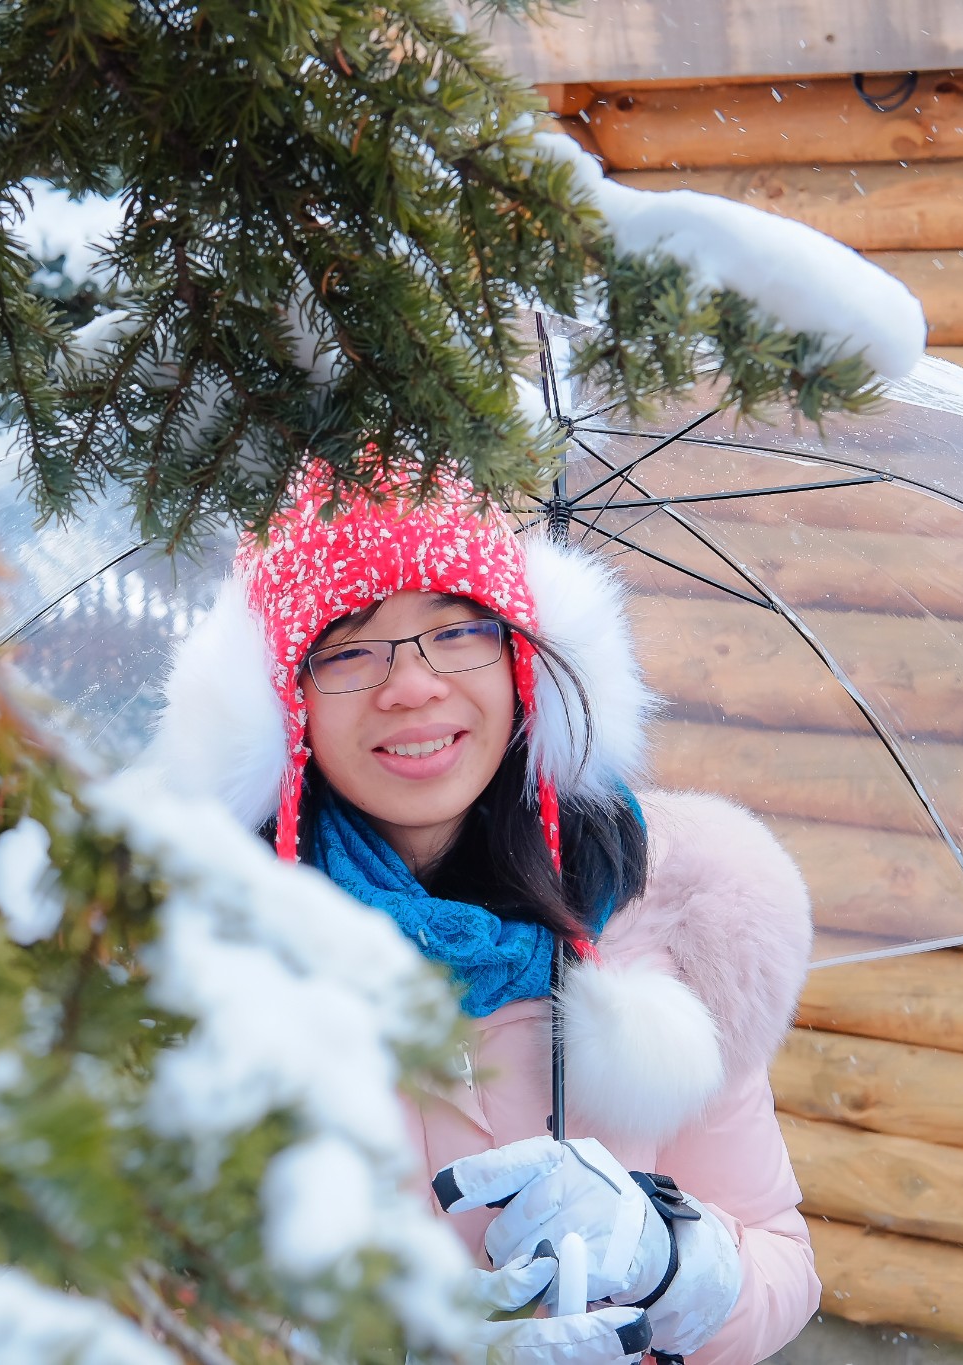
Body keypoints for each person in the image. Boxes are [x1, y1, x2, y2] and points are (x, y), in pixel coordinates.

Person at [143, 473, 819, 1364]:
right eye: (347, 648)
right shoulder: (200, 958)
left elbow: (780, 1256)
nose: (413, 687)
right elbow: (143, 1295)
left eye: (457, 630)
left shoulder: (675, 913)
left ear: (519, 656)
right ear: (282, 698)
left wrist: (674, 1264)